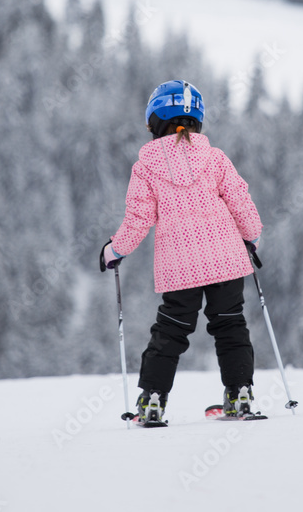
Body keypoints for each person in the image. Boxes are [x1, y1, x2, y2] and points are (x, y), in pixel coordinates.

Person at [99, 79, 262, 424]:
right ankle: (240, 394)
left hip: (181, 266)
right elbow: (241, 203)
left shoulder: (145, 167)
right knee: (230, 325)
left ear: (154, 121)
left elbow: (138, 218)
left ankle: (154, 399)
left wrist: (115, 249)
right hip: (226, 260)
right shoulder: (215, 158)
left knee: (171, 329)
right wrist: (252, 237)